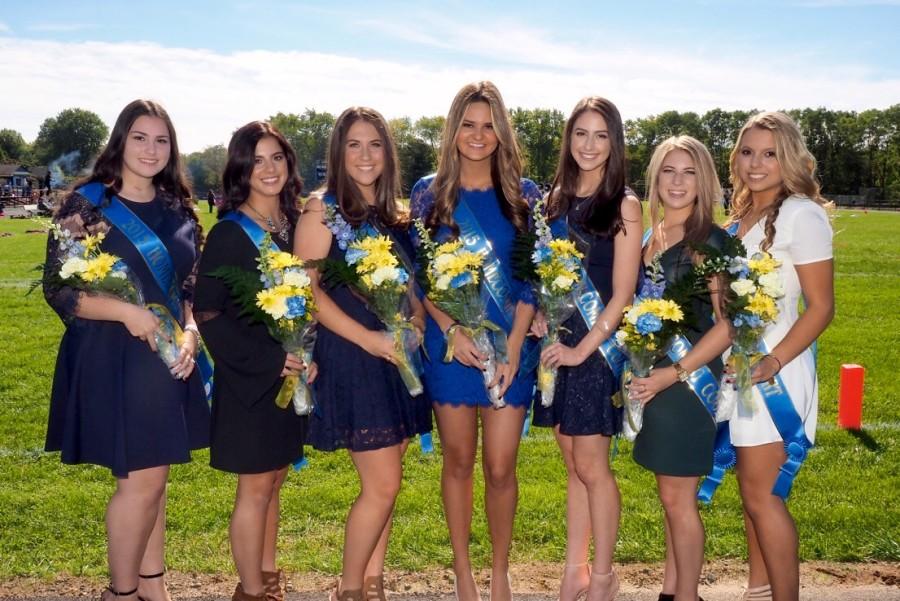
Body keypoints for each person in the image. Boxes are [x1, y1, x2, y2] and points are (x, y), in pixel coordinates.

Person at [43, 99, 210, 601]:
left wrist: (191, 331)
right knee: (140, 483)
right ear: (120, 140)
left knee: (154, 478)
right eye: (140, 137)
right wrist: (127, 313)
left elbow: (192, 288)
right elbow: (59, 288)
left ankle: (152, 588)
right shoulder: (87, 204)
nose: (151, 149)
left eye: (161, 140)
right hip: (112, 356)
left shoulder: (179, 206)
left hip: (168, 357)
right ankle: (121, 594)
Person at [410, 81, 540, 601]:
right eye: (469, 124)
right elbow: (419, 275)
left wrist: (512, 344)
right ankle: (464, 573)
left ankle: (500, 572)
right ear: (453, 129)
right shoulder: (429, 191)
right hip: (451, 349)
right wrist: (450, 328)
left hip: (512, 349)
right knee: (459, 461)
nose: (479, 135)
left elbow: (533, 276)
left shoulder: (523, 194)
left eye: (489, 125)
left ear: (501, 132)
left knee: (501, 465)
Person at [294, 107, 428, 601]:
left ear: (387, 153)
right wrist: (370, 340)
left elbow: (412, 286)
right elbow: (307, 293)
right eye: (354, 144)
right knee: (383, 485)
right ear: (338, 152)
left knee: (389, 479)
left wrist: (414, 321)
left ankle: (374, 583)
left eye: (375, 144)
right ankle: (350, 589)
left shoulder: (395, 214)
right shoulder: (321, 209)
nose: (365, 154)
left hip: (397, 358)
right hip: (354, 354)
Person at [530, 97, 642, 601]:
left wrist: (583, 350)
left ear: (613, 142)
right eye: (580, 134)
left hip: (593, 352)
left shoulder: (625, 204)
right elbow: (542, 277)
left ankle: (603, 577)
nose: (589, 145)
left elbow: (622, 294)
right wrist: (539, 314)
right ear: (568, 139)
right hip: (556, 347)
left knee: (594, 468)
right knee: (573, 463)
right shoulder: (551, 201)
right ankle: (573, 571)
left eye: (600, 135)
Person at [193, 121, 310, 601]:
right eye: (257, 159)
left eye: (277, 158)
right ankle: (251, 590)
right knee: (255, 488)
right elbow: (208, 312)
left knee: (275, 479)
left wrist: (304, 352)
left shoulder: (292, 226)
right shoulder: (228, 232)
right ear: (242, 168)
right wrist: (270, 359)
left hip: (287, 374)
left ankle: (267, 576)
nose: (269, 169)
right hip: (251, 382)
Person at [723, 112, 834, 601]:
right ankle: (758, 589)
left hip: (776, 370)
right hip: (743, 368)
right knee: (752, 493)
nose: (756, 163)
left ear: (788, 158)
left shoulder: (801, 214)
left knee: (763, 496)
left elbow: (822, 307)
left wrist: (773, 362)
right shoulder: (740, 216)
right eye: (748, 152)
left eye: (769, 153)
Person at [628, 136, 733, 601]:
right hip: (656, 382)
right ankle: (671, 591)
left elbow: (729, 325)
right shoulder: (653, 237)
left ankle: (687, 595)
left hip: (688, 385)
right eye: (668, 171)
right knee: (670, 497)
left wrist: (676, 372)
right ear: (655, 178)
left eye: (688, 172)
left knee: (679, 499)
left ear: (703, 180)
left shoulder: (709, 240)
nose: (677, 181)